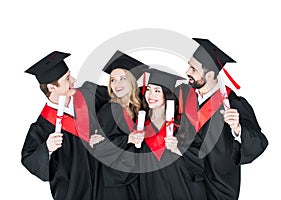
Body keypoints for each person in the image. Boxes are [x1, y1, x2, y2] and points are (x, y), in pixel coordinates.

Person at [185, 38, 269, 199]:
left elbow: (259, 142)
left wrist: (238, 129)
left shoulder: (233, 103)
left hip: (219, 186)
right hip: (190, 183)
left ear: (210, 74)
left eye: (193, 69)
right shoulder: (185, 100)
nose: (187, 72)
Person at [21, 51, 109, 200]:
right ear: (51, 88)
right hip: (72, 193)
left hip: (104, 187)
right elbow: (28, 159)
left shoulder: (87, 94)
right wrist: (47, 148)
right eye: (67, 79)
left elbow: (120, 100)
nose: (74, 80)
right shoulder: (43, 125)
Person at [139, 68, 207, 200]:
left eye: (157, 91)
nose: (150, 95)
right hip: (152, 190)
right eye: (148, 89)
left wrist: (178, 149)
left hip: (182, 188)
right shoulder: (139, 126)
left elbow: (201, 159)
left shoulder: (182, 125)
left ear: (167, 94)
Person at [93, 51, 148, 200]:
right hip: (115, 182)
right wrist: (128, 139)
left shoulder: (138, 108)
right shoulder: (109, 110)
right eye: (113, 80)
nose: (117, 84)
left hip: (135, 176)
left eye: (122, 79)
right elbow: (99, 148)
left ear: (131, 81)